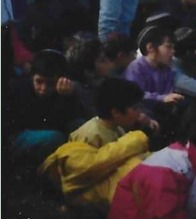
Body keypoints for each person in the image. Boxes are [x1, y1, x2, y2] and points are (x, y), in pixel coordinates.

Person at [38, 77, 152, 210]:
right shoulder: (90, 134)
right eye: (135, 108)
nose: (139, 113)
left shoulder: (118, 128)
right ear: (115, 112)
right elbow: (78, 174)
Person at [7, 49, 88, 169]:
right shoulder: (18, 89)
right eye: (39, 82)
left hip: (49, 129)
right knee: (54, 138)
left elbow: (74, 117)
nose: (43, 88)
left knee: (82, 127)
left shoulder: (66, 90)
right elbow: (39, 122)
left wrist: (67, 97)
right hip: (17, 135)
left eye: (50, 83)